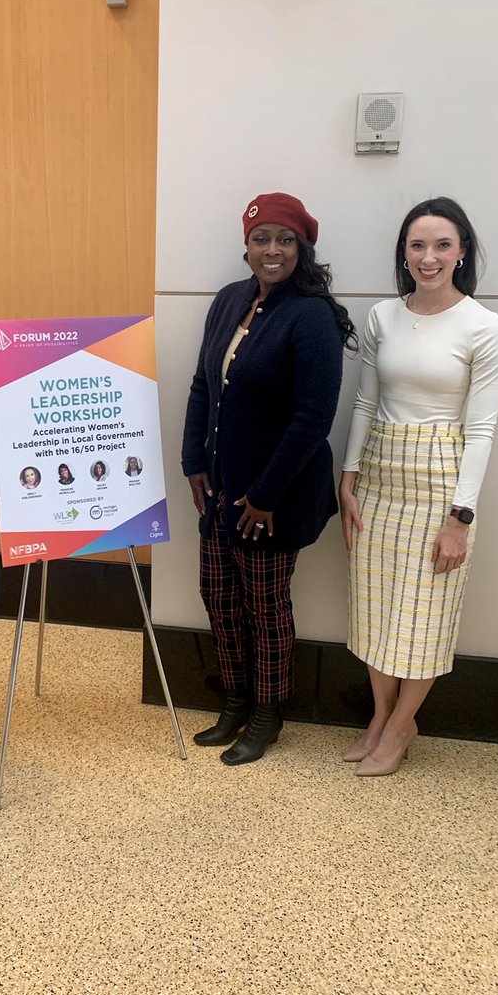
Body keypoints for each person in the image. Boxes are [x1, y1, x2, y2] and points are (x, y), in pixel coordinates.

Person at [182, 192, 356, 764]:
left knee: (265, 606)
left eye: (286, 240)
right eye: (262, 239)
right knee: (218, 596)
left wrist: (263, 496)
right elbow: (204, 385)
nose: (272, 250)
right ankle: (233, 701)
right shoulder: (230, 300)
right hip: (223, 491)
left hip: (273, 500)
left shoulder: (312, 315)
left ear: (302, 247)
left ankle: (266, 713)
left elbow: (312, 420)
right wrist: (193, 462)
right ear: (247, 245)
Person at [339, 197, 498, 776]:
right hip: (380, 474)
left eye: (442, 245)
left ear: (462, 251)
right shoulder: (383, 316)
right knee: (374, 607)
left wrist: (460, 517)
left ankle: (400, 726)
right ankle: (382, 717)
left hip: (441, 483)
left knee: (425, 614)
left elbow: (481, 430)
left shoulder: (485, 326)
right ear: (404, 253)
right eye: (417, 245)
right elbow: (365, 401)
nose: (429, 256)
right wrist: (349, 477)